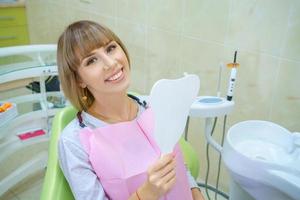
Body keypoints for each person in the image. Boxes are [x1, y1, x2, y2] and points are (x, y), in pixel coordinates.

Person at [57, 20, 205, 200]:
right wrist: (147, 193)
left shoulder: (153, 106)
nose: (111, 63)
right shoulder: (73, 141)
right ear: (79, 80)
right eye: (91, 60)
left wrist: (197, 193)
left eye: (110, 48)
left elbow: (179, 165)